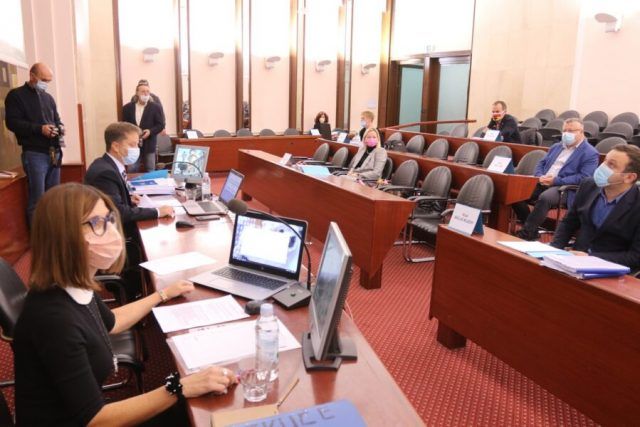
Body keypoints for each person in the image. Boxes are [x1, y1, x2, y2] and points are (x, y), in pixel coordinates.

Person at [13, 183, 237, 425]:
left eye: (109, 219)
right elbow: (95, 419)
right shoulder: (53, 318)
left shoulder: (73, 285)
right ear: (63, 236)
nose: (112, 231)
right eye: (97, 223)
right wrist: (179, 387)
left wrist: (162, 295)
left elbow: (112, 322)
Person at [551, 145, 640, 270]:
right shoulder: (588, 185)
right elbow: (568, 223)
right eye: (605, 161)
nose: (602, 167)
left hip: (612, 268)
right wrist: (553, 251)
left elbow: (636, 256)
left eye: (611, 165)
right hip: (575, 260)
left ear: (629, 177)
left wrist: (591, 257)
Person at [514, 118, 599, 241]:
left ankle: (527, 233)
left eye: (571, 131)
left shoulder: (590, 153)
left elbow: (584, 177)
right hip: (543, 181)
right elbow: (541, 163)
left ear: (581, 132)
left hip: (565, 188)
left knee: (545, 198)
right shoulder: (556, 146)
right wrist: (540, 175)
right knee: (515, 194)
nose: (566, 133)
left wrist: (555, 180)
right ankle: (532, 230)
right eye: (564, 130)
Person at [85, 122, 174, 236]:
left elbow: (110, 201)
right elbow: (119, 213)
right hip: (111, 235)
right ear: (116, 146)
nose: (137, 149)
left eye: (137, 144)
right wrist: (158, 212)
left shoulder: (108, 164)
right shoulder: (105, 173)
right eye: (132, 145)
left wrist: (127, 198)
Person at [5, 62, 64, 223]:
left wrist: (60, 127)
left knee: (54, 198)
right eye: (44, 80)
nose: (46, 84)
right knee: (37, 200)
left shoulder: (48, 98)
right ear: (32, 76)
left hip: (54, 152)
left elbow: (56, 119)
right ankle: (38, 236)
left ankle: (52, 232)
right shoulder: (16, 96)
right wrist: (40, 129)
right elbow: (12, 123)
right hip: (35, 154)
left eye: (49, 81)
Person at [123, 81, 166, 172]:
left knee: (150, 170)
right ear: (137, 93)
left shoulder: (156, 107)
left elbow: (160, 125)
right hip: (133, 145)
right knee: (132, 169)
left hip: (149, 144)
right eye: (143, 91)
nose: (146, 94)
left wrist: (150, 131)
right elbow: (124, 125)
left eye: (147, 91)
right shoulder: (127, 108)